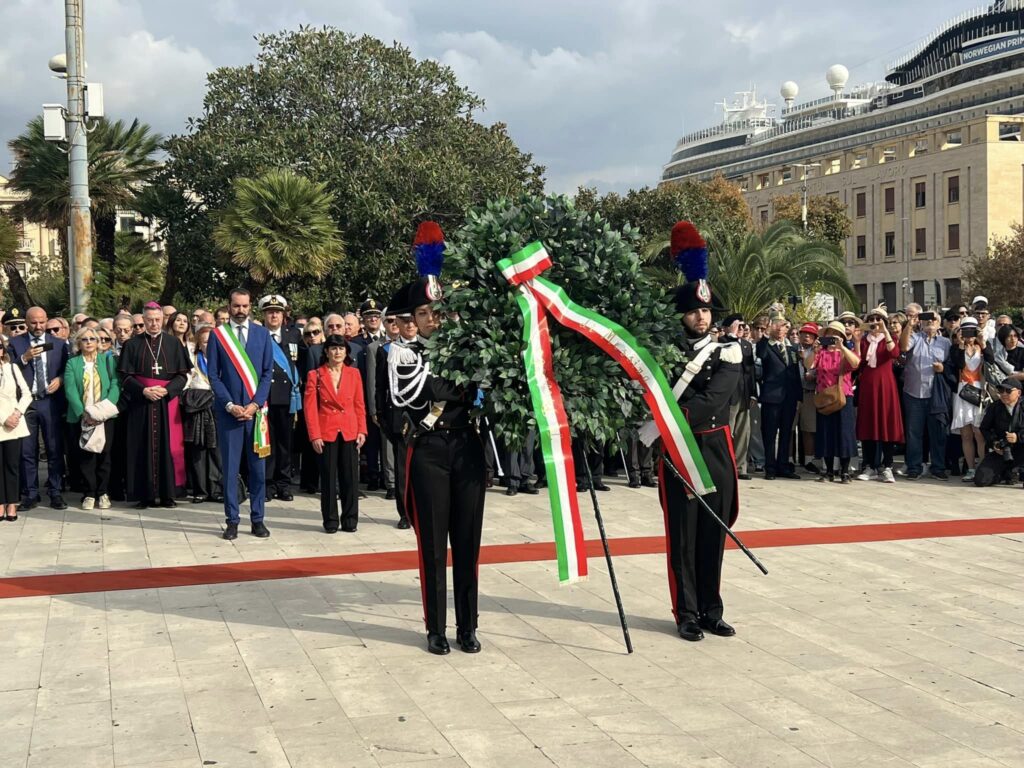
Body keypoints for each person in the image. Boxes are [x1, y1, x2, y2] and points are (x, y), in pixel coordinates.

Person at [388, 221, 486, 655]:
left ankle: (468, 626)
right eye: (424, 315)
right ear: (414, 320)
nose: (433, 320)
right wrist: (460, 383)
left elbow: (482, 386)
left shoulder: (468, 348)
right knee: (432, 546)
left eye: (437, 313)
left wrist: (462, 380)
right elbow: (414, 394)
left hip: (467, 446)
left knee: (468, 542)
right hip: (428, 450)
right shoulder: (403, 352)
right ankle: (436, 628)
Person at [652, 221, 741, 643]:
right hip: (677, 452)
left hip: (714, 450)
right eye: (693, 310)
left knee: (713, 535)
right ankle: (685, 612)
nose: (701, 316)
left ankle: (712, 609)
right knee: (683, 539)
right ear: (682, 315)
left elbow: (715, 400)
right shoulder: (663, 353)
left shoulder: (728, 350)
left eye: (705, 310)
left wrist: (674, 413)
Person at [207, 288, 275, 540]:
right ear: (229, 306)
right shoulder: (218, 336)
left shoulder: (262, 334)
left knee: (257, 470)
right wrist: (229, 405)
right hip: (230, 415)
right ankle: (232, 520)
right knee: (231, 469)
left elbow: (268, 373)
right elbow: (213, 375)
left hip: (256, 415)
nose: (241, 311)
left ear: (251, 306)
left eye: (245, 306)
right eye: (236, 306)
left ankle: (258, 519)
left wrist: (255, 404)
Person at [118, 302, 192, 507]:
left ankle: (168, 494)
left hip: (167, 402)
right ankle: (144, 494)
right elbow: (124, 377)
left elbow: (183, 375)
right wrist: (143, 390)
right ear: (143, 320)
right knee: (140, 447)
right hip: (141, 402)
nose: (153, 324)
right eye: (149, 320)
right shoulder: (131, 345)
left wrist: (167, 390)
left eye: (157, 320)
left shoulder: (173, 343)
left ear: (163, 320)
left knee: (169, 446)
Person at [304, 335, 367, 532]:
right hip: (327, 431)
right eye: (333, 348)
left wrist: (362, 430)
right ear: (326, 351)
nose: (337, 352)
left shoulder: (354, 374)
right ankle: (330, 520)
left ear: (346, 351)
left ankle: (350, 520)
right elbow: (310, 408)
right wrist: (314, 435)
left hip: (349, 430)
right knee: (329, 479)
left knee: (350, 478)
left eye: (341, 348)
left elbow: (359, 403)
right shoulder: (316, 375)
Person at [9, 306, 69, 511]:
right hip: (27, 403)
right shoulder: (16, 343)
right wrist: (24, 358)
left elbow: (65, 369)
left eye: (42, 322)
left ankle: (55, 492)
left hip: (50, 402)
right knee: (27, 450)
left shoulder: (59, 344)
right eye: (34, 322)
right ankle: (30, 493)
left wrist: (60, 379)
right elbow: (8, 369)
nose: (38, 326)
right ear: (27, 322)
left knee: (54, 448)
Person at [64, 327, 121, 510]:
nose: (89, 342)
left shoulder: (107, 360)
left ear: (98, 342)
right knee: (86, 455)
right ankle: (89, 493)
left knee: (105, 455)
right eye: (84, 339)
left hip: (105, 415)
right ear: (78, 343)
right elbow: (70, 390)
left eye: (92, 339)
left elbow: (115, 383)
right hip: (83, 416)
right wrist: (84, 414)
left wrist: (104, 410)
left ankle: (103, 492)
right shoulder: (72, 363)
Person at [259, 294, 304, 502]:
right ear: (264, 315)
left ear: (283, 314)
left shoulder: (293, 334)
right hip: (266, 397)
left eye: (277, 311)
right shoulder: (258, 335)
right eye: (270, 312)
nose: (274, 315)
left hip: (287, 398)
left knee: (286, 444)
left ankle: (284, 484)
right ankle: (267, 484)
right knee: (267, 442)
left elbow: (302, 362)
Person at [375, 298, 415, 527]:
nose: (410, 325)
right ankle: (405, 512)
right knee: (402, 469)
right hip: (400, 418)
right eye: (404, 321)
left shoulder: (425, 348)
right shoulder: (387, 351)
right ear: (396, 324)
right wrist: (381, 415)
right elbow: (381, 387)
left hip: (425, 417)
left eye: (412, 321)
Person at [899, 309, 952, 480]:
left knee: (938, 432)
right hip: (914, 393)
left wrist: (943, 369)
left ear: (939, 323)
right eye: (927, 319)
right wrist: (910, 325)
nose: (930, 322)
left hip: (936, 394)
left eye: (934, 319)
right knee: (914, 433)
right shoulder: (915, 337)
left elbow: (952, 366)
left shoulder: (945, 342)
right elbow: (903, 347)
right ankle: (914, 466)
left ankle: (938, 466)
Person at [855, 307, 904, 483]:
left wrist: (885, 331)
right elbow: (858, 361)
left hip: (885, 384)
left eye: (879, 319)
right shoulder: (864, 340)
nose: (875, 322)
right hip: (868, 383)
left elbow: (894, 353)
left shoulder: (889, 338)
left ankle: (888, 465)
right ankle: (869, 465)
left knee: (886, 424)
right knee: (869, 423)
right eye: (872, 319)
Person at [809, 320, 861, 483]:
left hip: (843, 396)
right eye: (829, 333)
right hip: (825, 396)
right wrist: (814, 349)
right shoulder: (821, 353)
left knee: (844, 433)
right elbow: (808, 365)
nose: (832, 337)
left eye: (837, 334)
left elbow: (856, 363)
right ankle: (829, 470)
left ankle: (844, 471)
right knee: (826, 433)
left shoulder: (845, 352)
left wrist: (842, 347)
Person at [756, 312, 802, 480]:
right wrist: (766, 334)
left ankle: (783, 465)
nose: (784, 329)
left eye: (785, 326)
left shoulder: (791, 348)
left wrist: (799, 398)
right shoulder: (767, 346)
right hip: (772, 397)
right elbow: (760, 354)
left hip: (789, 397)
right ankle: (770, 467)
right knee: (769, 433)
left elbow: (796, 373)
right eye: (782, 326)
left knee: (786, 432)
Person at [182, 324, 223, 504]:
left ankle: (215, 489)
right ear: (199, 343)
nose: (209, 345)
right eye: (205, 341)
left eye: (212, 341)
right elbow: (186, 384)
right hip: (198, 409)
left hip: (217, 409)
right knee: (198, 450)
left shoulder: (223, 361)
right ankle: (200, 490)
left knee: (216, 450)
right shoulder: (193, 359)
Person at [946, 316, 986, 482]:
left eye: (972, 330)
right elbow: (960, 364)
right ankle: (970, 468)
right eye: (966, 330)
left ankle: (983, 467)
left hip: (980, 390)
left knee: (979, 433)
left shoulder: (983, 346)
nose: (969, 334)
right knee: (966, 434)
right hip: (963, 391)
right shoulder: (956, 349)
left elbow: (991, 359)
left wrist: (982, 341)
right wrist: (962, 345)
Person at [366, 311, 400, 500]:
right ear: (383, 323)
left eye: (397, 320)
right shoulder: (375, 347)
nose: (394, 324)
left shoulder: (411, 343)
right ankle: (392, 483)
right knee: (387, 446)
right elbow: (372, 381)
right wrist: (373, 409)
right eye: (389, 320)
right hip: (386, 403)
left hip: (408, 403)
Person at [0, 337, 32, 521]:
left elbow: (26, 393)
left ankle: (12, 503)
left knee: (12, 465)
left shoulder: (11, 368)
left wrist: (17, 414)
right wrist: (4, 419)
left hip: (14, 424)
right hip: (2, 421)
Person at [723, 314, 757, 481]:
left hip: (744, 393)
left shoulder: (746, 345)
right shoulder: (722, 342)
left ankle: (740, 466)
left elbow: (750, 372)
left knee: (743, 432)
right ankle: (726, 465)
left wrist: (753, 393)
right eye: (739, 326)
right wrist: (731, 336)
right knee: (727, 431)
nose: (742, 329)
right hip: (729, 394)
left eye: (744, 327)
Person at [974, 379, 1024, 486]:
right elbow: (985, 428)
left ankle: (1016, 472)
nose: (1004, 394)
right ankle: (1006, 473)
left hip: (1022, 450)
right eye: (1001, 390)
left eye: (1008, 391)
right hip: (1004, 451)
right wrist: (994, 442)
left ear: (1019, 393)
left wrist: (1018, 437)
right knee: (981, 479)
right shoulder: (995, 407)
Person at [796, 322, 820, 473]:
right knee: (790, 429)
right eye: (803, 333)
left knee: (808, 429)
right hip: (792, 393)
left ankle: (808, 460)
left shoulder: (819, 352)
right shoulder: (792, 349)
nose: (806, 336)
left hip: (809, 392)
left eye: (810, 334)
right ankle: (790, 459)